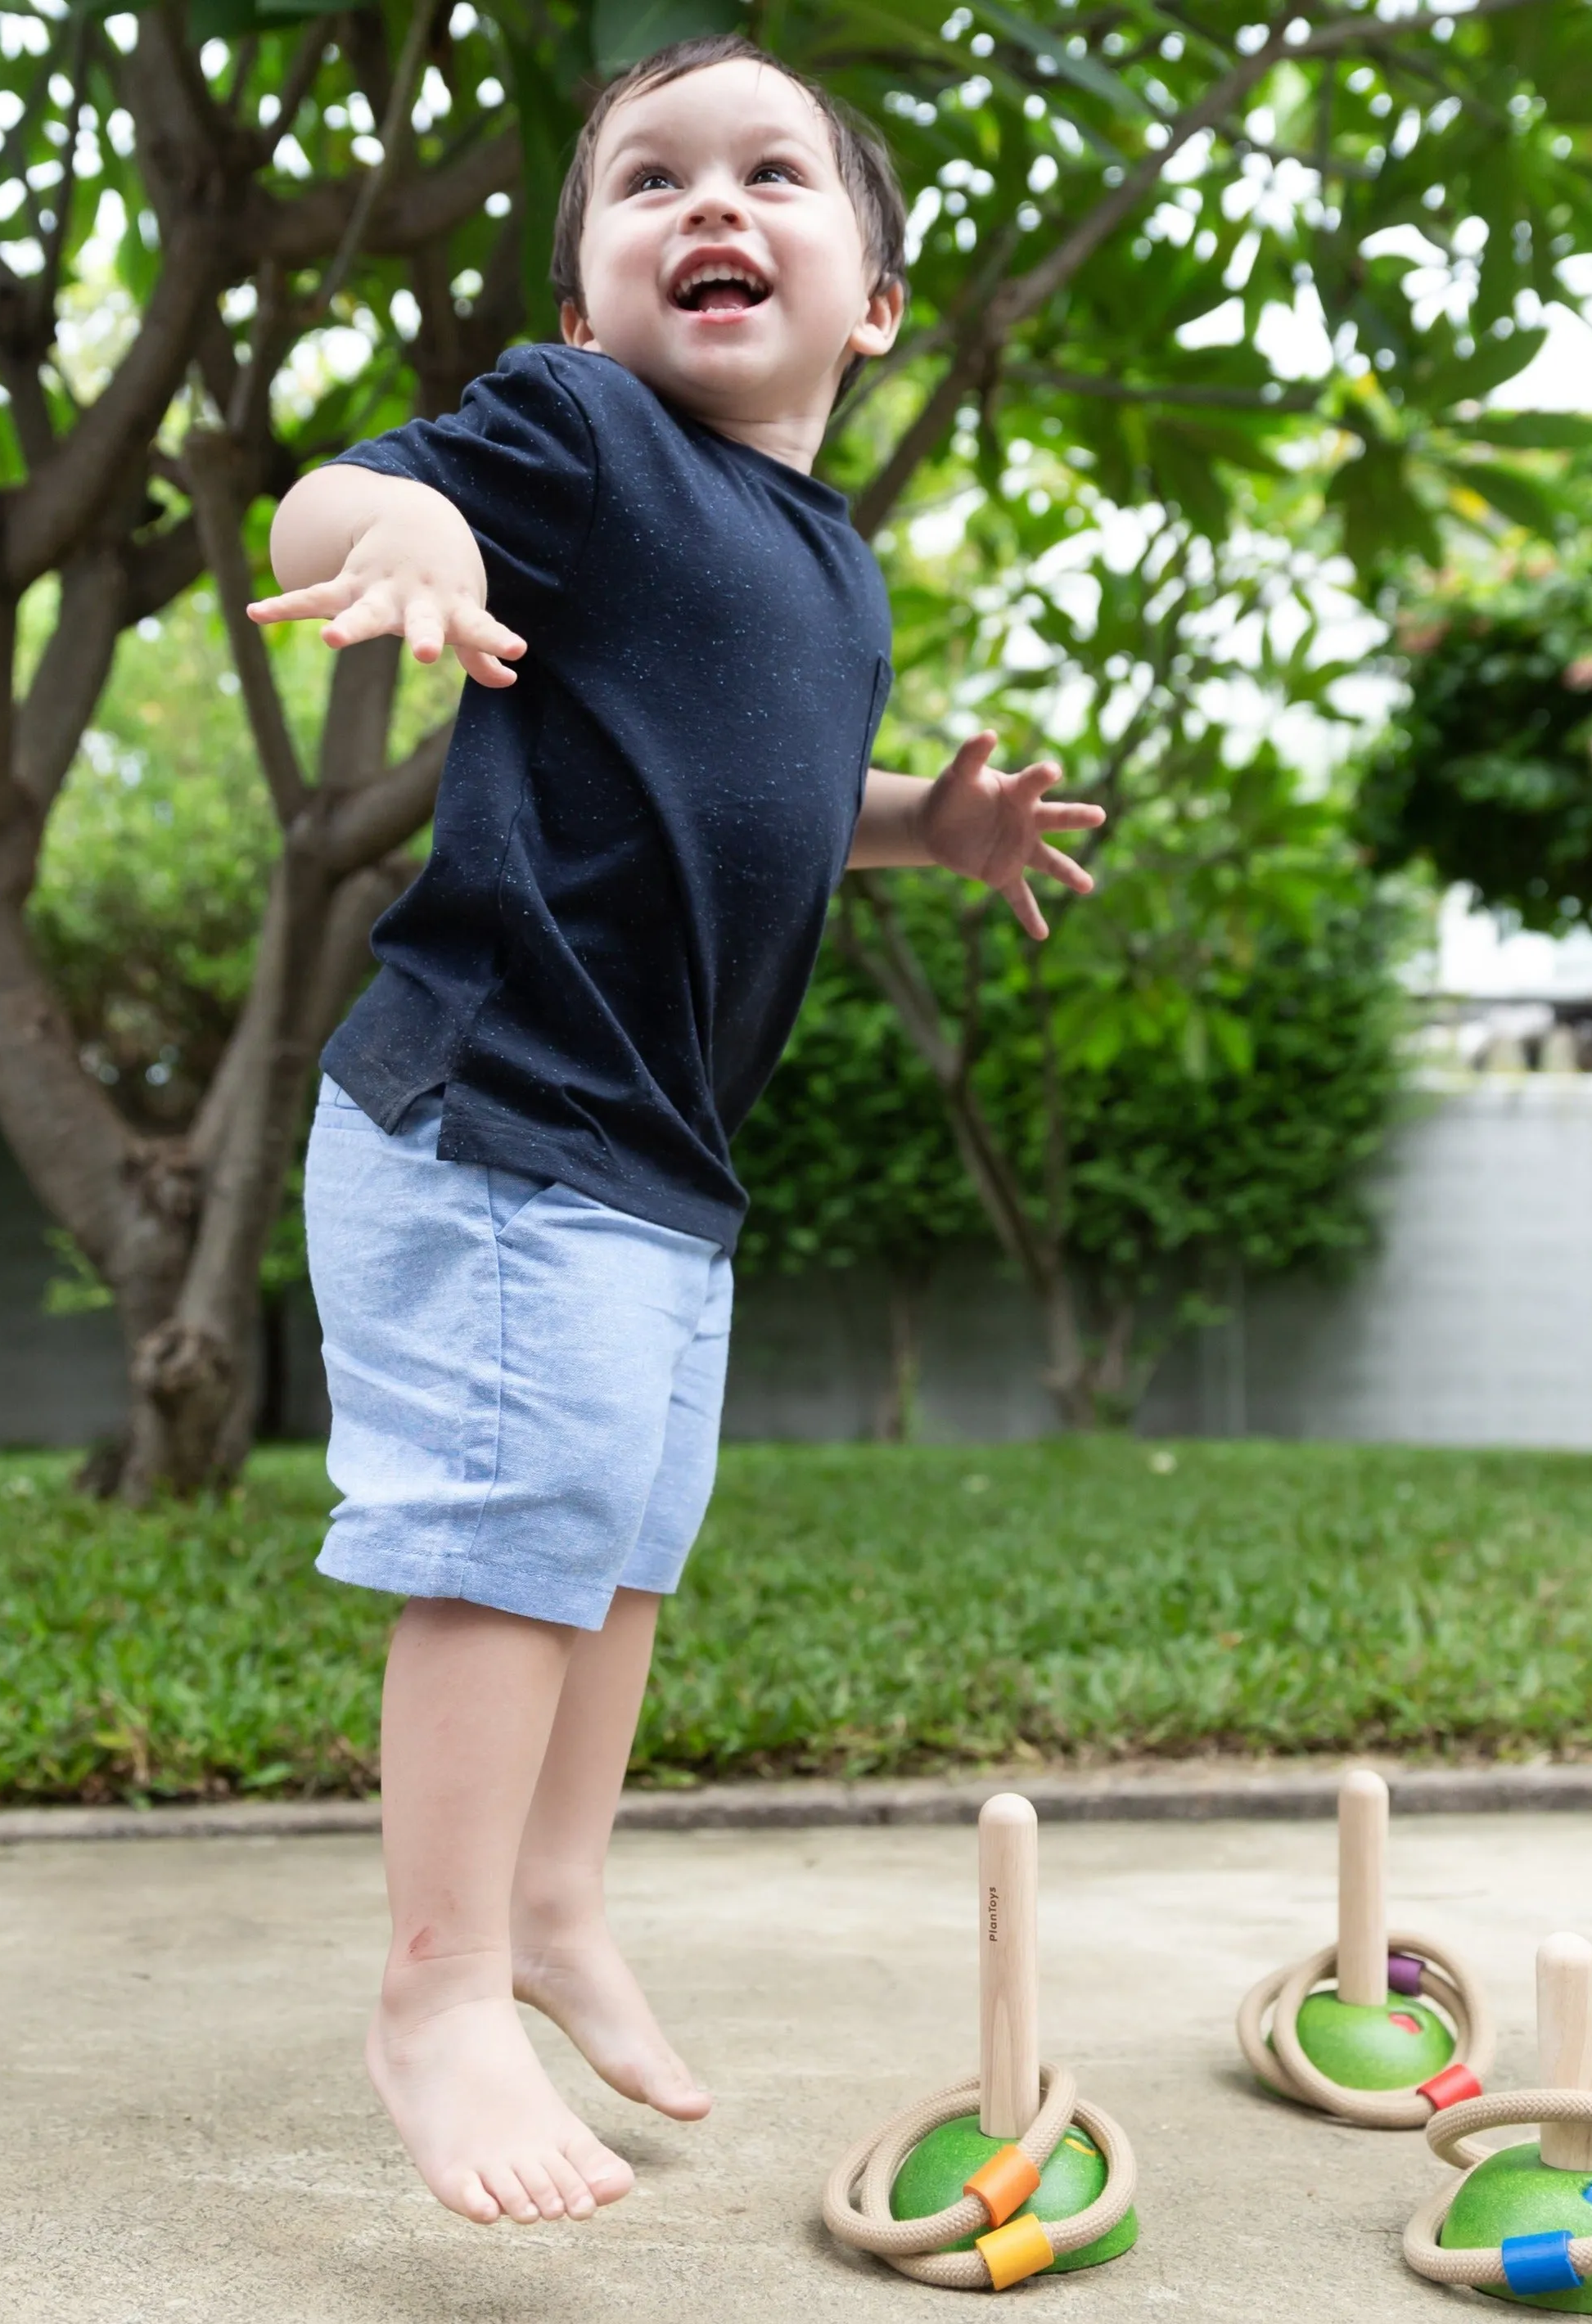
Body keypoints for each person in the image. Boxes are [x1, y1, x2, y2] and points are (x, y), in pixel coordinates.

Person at [247, 35, 1100, 2232]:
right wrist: (415, 535)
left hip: (646, 1153)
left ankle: (552, 1910)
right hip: (499, 1105)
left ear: (876, 301)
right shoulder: (589, 437)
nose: (708, 205)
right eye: (649, 182)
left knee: (621, 1543)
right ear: (584, 301)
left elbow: (780, 796)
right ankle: (437, 1988)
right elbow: (327, 499)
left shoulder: (823, 556)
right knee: (512, 1536)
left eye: (768, 174)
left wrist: (935, 818)